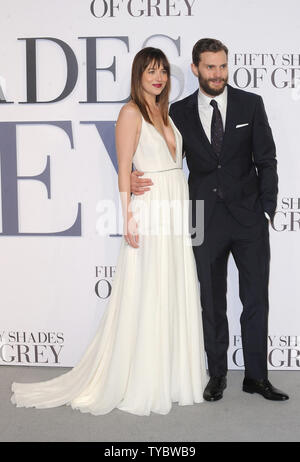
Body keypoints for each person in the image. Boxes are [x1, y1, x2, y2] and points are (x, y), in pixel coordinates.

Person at [10, 47, 208, 416]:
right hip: (148, 211)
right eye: (150, 71)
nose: (158, 77)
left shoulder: (166, 113)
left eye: (162, 70)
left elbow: (171, 164)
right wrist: (127, 215)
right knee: (146, 289)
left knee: (172, 286)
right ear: (138, 75)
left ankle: (171, 374)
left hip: (175, 209)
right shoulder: (130, 112)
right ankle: (142, 377)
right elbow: (122, 167)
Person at [131, 38, 289, 402]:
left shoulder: (251, 103)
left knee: (255, 300)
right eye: (210, 67)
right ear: (197, 67)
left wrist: (267, 207)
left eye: (222, 66)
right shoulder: (179, 111)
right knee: (212, 300)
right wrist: (134, 176)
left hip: (249, 218)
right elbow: (163, 154)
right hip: (203, 217)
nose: (217, 74)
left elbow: (267, 159)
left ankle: (256, 377)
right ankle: (216, 374)